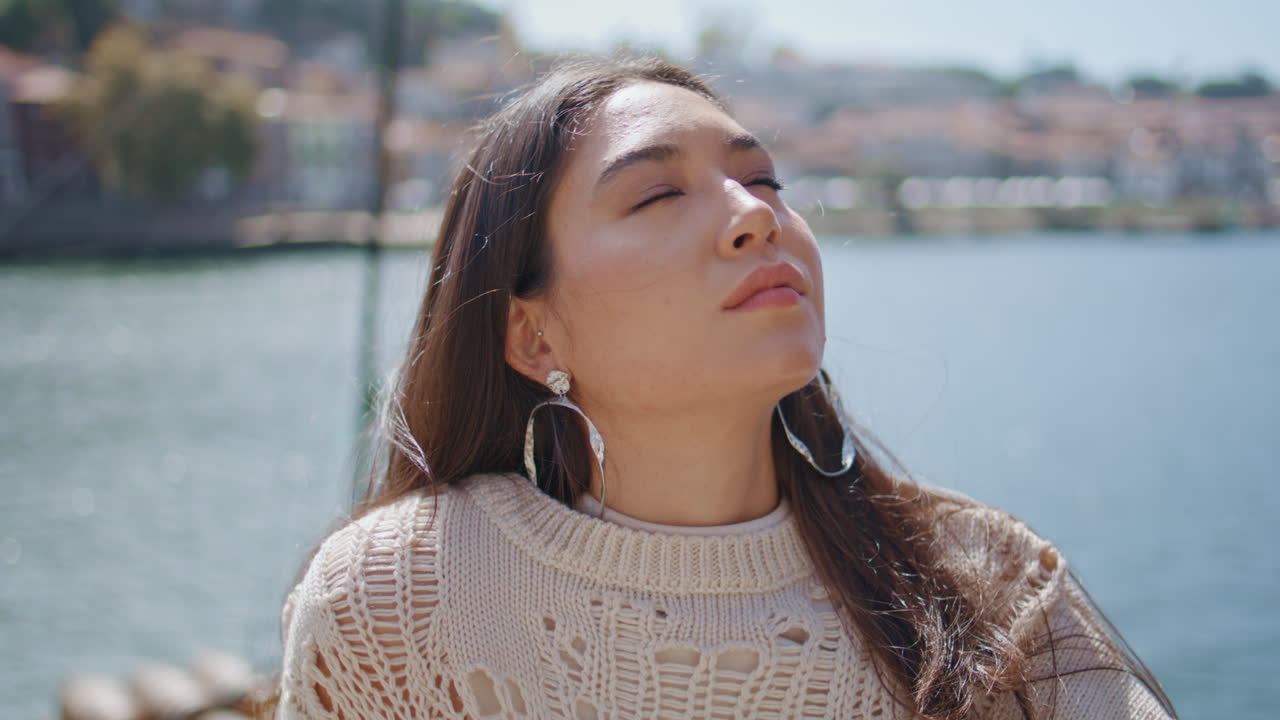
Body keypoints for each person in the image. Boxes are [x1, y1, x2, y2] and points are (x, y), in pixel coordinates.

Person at [275, 56, 1176, 719]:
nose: (756, 216)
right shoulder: (397, 599)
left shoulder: (991, 588)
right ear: (531, 330)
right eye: (657, 195)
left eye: (762, 179)